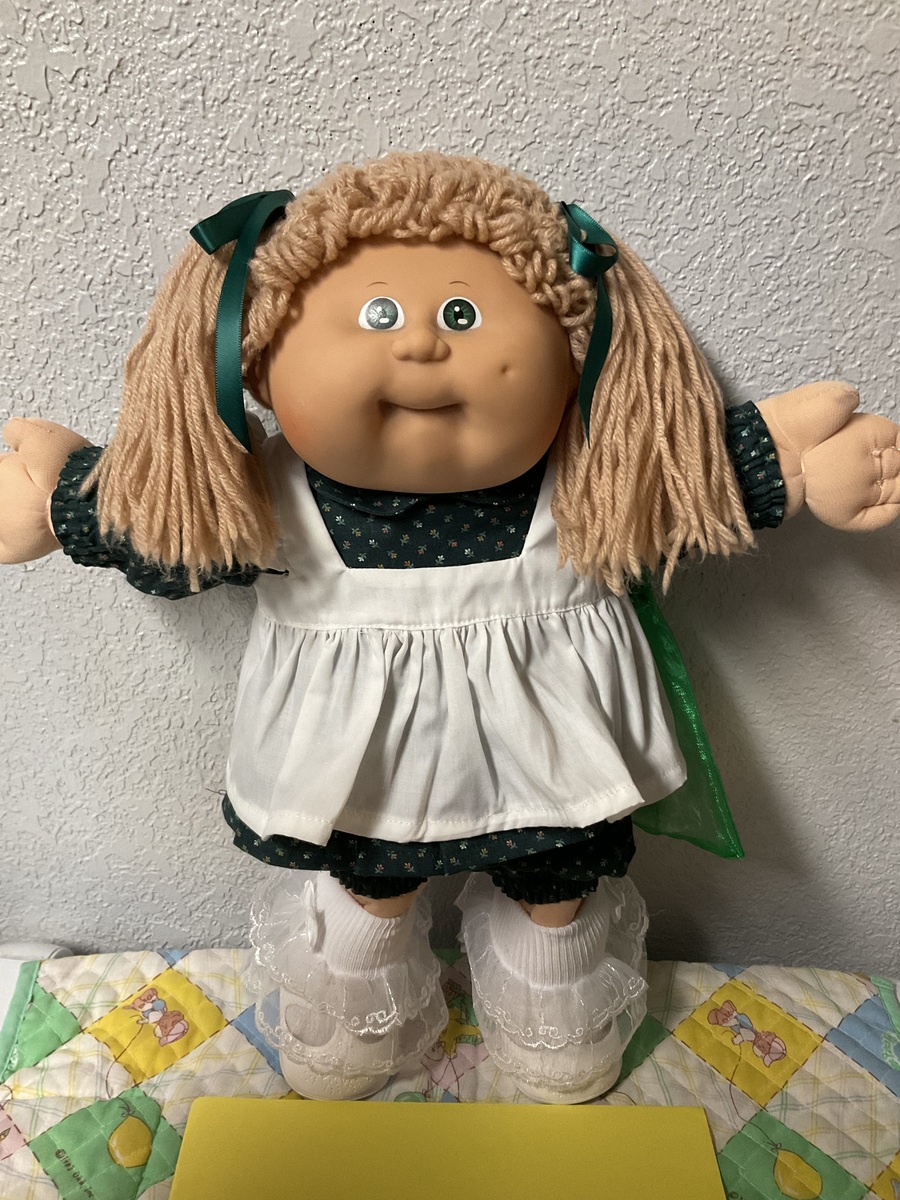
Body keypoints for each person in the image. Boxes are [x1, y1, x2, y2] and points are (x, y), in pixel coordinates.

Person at [2, 151, 897, 1103]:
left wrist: (794, 466)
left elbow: (683, 480)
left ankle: (555, 1017)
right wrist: (66, 502)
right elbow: (173, 525)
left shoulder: (594, 480)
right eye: (379, 314)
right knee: (369, 889)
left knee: (557, 893)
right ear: (256, 361)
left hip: (552, 768)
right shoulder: (268, 495)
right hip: (362, 775)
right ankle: (355, 1021)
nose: (422, 345)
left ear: (575, 353)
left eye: (463, 315)